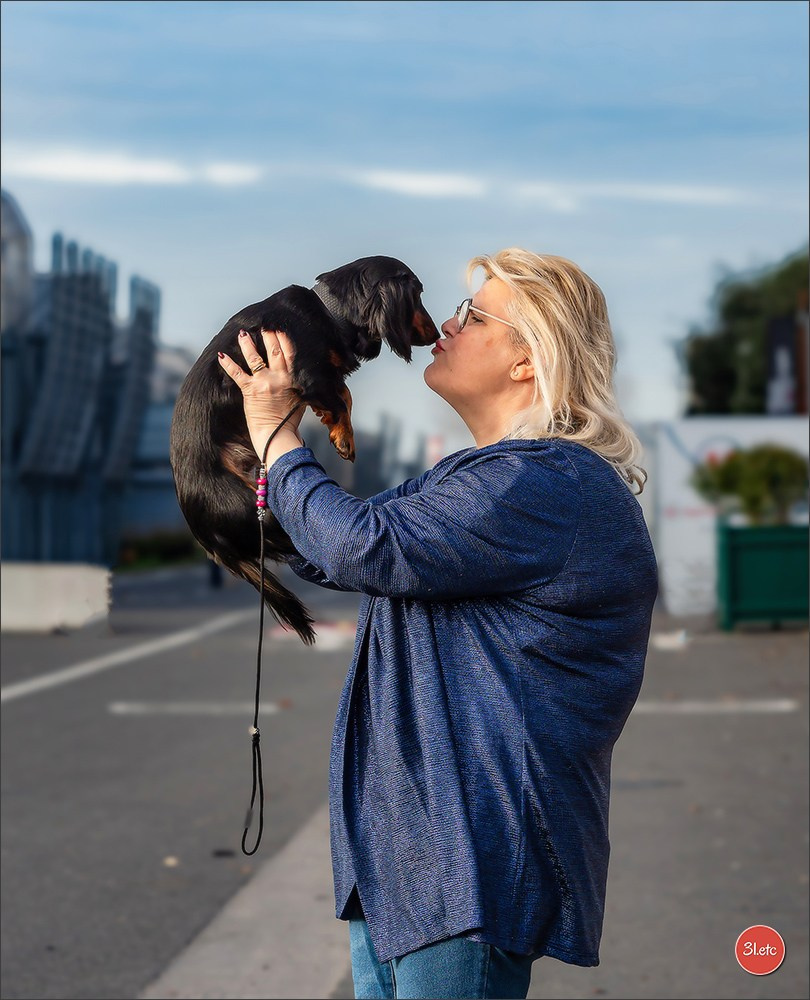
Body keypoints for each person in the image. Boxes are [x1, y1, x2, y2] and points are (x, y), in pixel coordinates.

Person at [218, 248, 659, 1000]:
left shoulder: (543, 482)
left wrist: (277, 437)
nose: (443, 327)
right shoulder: (483, 476)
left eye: (473, 315)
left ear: (529, 360)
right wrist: (243, 465)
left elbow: (363, 547)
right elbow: (336, 550)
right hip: (413, 855)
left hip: (468, 854)